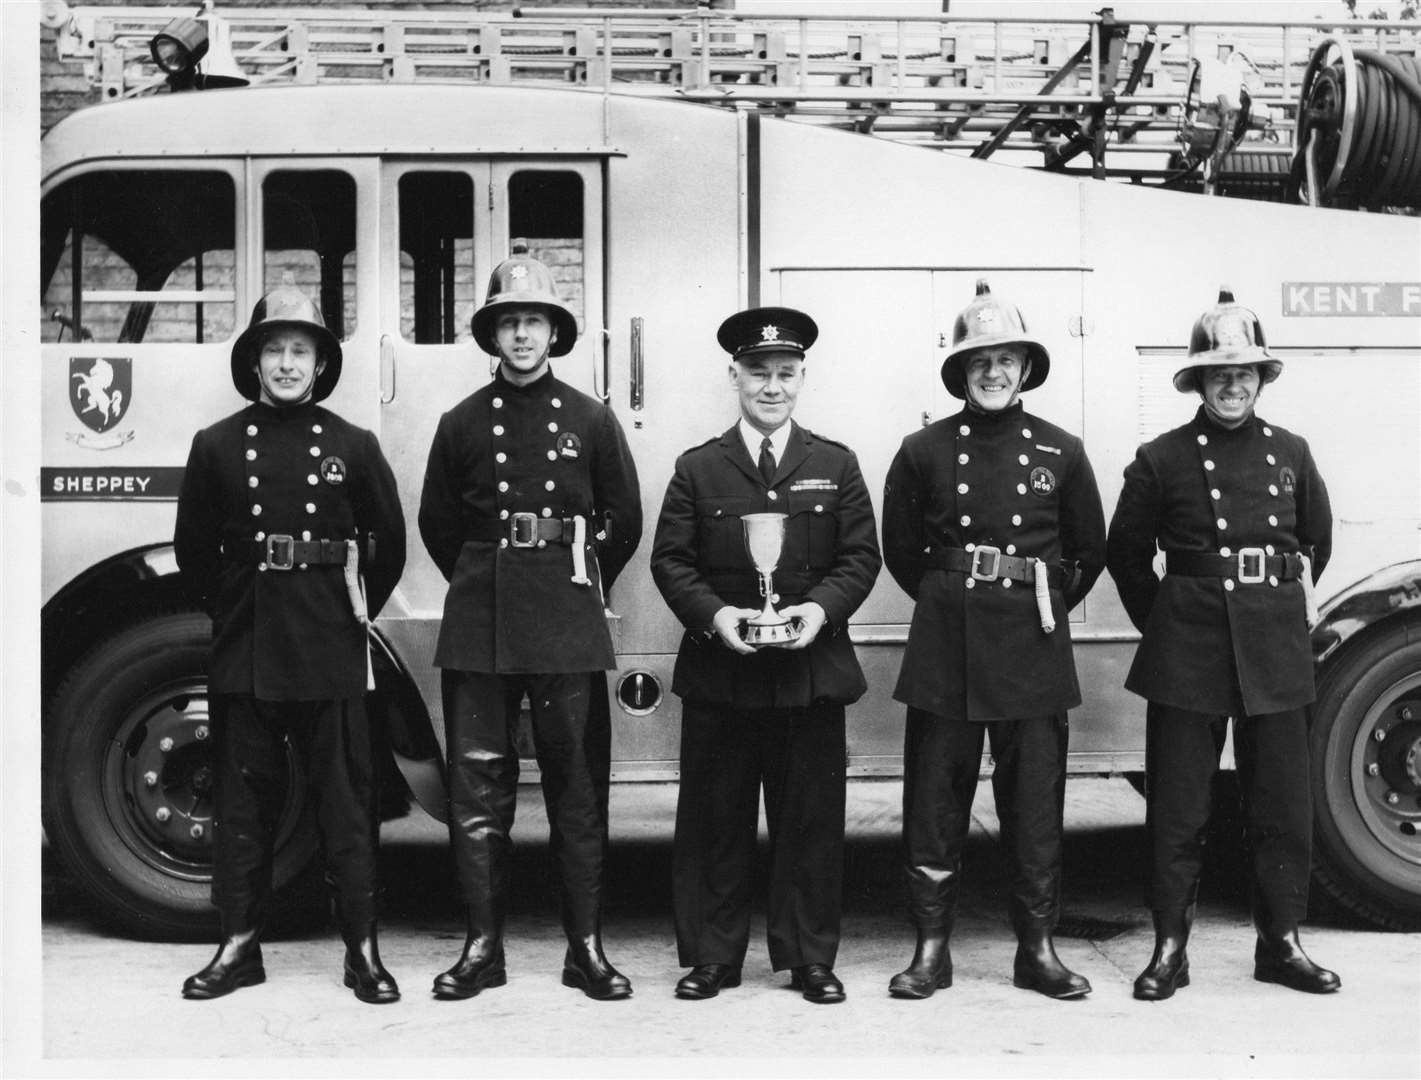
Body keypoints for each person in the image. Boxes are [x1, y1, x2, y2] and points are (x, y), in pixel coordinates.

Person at [419, 244, 642, 1001]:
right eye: (509, 322)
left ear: (555, 333)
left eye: (535, 322)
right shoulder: (460, 422)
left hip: (564, 619)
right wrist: (488, 577)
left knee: (576, 792)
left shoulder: (590, 418)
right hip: (480, 620)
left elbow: (624, 517)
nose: (522, 335)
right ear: (491, 334)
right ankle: (483, 948)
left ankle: (586, 948)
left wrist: (569, 573)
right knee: (479, 794)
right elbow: (438, 525)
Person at [174, 286, 406, 1004]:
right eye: (272, 350)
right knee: (243, 806)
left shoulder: (351, 445)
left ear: (319, 363)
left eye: (298, 351)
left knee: (346, 801)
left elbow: (387, 545)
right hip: (248, 643)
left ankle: (361, 949)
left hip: (329, 644)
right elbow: (193, 554)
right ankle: (239, 945)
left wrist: (343, 610)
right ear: (253, 361)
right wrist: (238, 611)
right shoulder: (215, 444)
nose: (285, 364)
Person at [1107, 287, 1338, 1001]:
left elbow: (1315, 542)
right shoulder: (1161, 457)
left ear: (1260, 378)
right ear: (1198, 380)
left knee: (1280, 806)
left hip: (1272, 647)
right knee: (1179, 807)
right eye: (1218, 372)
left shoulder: (1290, 451)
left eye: (1243, 372)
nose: (1231, 384)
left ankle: (1281, 943)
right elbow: (1123, 555)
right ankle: (1169, 947)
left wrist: (1272, 607)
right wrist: (1170, 621)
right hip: (1189, 647)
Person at [881, 279, 1105, 1000]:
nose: (992, 371)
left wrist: (1035, 599)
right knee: (933, 803)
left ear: (1025, 367)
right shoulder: (922, 450)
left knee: (1034, 805)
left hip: (1031, 644)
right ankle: (931, 950)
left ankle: (1035, 950)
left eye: (1005, 358)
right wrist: (954, 597)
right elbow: (900, 549)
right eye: (979, 359)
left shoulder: (1060, 450)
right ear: (960, 369)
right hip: (947, 643)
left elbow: (1088, 550)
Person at [650, 306, 881, 1005]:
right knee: (714, 822)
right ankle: (713, 957)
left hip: (808, 672)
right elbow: (670, 561)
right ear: (734, 377)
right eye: (758, 374)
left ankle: (809, 958)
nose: (771, 387)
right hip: (723, 674)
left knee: (809, 822)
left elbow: (859, 557)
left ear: (802, 378)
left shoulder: (834, 463)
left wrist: (817, 610)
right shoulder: (698, 467)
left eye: (784, 374)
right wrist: (717, 616)